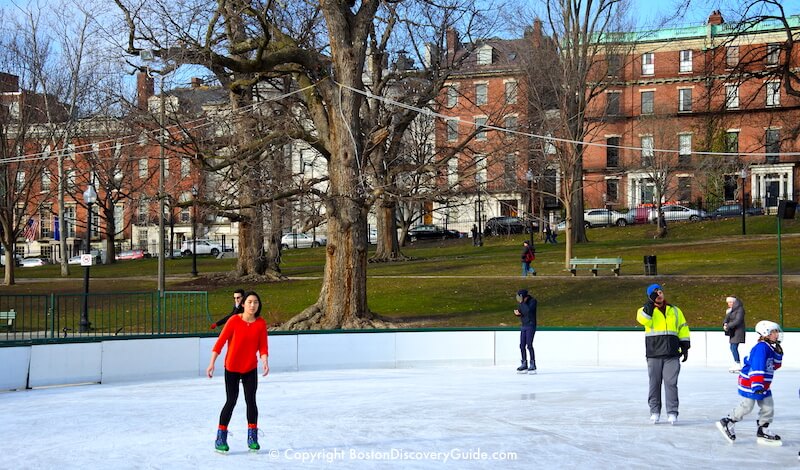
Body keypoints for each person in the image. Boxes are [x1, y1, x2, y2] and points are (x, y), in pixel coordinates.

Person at [206, 291, 269, 453]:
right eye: (249, 302)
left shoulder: (260, 323)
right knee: (231, 401)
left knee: (251, 401)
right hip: (232, 367)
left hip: (250, 367)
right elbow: (220, 342)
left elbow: (263, 345)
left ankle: (252, 437)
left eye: (255, 302)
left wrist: (265, 361)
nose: (252, 305)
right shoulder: (234, 320)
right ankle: (220, 437)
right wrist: (212, 363)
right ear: (243, 304)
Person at [716, 320, 783, 446]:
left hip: (763, 384)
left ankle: (763, 430)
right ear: (766, 333)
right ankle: (728, 421)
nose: (777, 334)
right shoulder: (761, 348)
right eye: (774, 332)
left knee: (768, 407)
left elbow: (773, 366)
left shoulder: (769, 347)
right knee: (748, 406)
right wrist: (757, 385)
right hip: (752, 381)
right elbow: (757, 367)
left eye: (777, 331)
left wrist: (778, 354)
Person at [636, 283, 691, 425]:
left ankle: (672, 412)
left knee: (671, 383)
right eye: (655, 293)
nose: (659, 294)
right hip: (654, 353)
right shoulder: (644, 310)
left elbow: (683, 328)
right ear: (650, 296)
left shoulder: (675, 310)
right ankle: (654, 411)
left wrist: (685, 345)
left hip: (672, 353)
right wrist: (650, 304)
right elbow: (643, 320)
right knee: (654, 383)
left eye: (660, 291)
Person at [513, 289, 537, 374]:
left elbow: (528, 311)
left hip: (531, 325)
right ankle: (524, 363)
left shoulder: (533, 301)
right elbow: (522, 312)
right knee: (522, 345)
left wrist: (522, 303)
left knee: (529, 345)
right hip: (524, 325)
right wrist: (517, 313)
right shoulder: (521, 303)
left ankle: (533, 363)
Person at [723, 296, 746, 373]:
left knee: (733, 347)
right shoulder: (731, 310)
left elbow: (738, 320)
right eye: (728, 303)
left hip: (738, 331)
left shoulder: (740, 309)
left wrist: (728, 325)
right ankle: (736, 362)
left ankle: (737, 363)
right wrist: (725, 323)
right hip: (733, 331)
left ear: (734, 302)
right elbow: (727, 318)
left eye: (730, 302)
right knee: (732, 347)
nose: (729, 304)